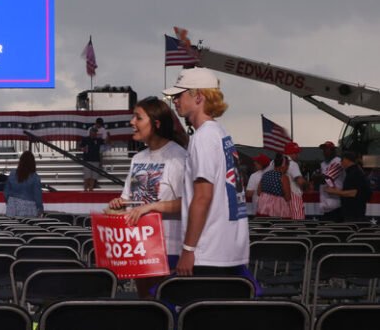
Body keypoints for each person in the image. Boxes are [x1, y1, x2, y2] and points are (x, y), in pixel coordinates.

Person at [162, 68, 249, 277]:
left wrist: (188, 250)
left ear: (199, 96)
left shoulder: (203, 137)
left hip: (207, 252)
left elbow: (202, 196)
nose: (174, 100)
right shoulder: (220, 133)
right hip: (227, 248)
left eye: (179, 95)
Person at [106, 97, 188, 298]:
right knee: (147, 304)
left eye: (138, 118)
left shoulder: (178, 157)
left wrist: (150, 208)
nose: (132, 122)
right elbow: (130, 199)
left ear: (156, 124)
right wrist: (119, 203)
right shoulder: (138, 158)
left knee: (165, 304)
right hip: (139, 245)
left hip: (168, 246)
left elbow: (187, 204)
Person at [326, 152, 372, 220]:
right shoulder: (353, 172)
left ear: (346, 160)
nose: (341, 163)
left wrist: (334, 192)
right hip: (352, 211)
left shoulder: (355, 173)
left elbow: (354, 193)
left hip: (354, 213)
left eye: (342, 160)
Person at [3, 150, 44, 217]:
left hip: (12, 205)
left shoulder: (12, 174)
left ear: (20, 161)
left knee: (12, 226)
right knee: (27, 227)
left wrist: (10, 201)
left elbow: (6, 192)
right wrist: (40, 209)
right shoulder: (35, 177)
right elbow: (38, 196)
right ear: (33, 163)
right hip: (29, 206)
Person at [315, 141, 344, 222]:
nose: (324, 151)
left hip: (336, 204)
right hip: (325, 203)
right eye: (323, 149)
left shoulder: (338, 161)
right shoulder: (323, 164)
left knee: (336, 231)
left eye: (327, 149)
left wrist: (317, 176)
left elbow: (327, 178)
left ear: (332, 150)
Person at [256, 154, 292, 218]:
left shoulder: (265, 174)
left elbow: (258, 192)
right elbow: (288, 197)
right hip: (278, 210)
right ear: (283, 165)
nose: (288, 167)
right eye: (288, 165)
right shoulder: (284, 177)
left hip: (263, 208)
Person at [83, 118, 110, 191]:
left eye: (95, 132)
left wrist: (108, 136)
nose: (94, 133)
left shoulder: (98, 139)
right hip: (87, 159)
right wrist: (83, 149)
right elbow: (81, 146)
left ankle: (91, 189)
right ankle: (85, 189)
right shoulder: (86, 138)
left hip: (97, 157)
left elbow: (105, 141)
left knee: (94, 176)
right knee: (87, 176)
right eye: (93, 132)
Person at [283, 142, 308, 220]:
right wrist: (308, 185)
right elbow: (300, 182)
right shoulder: (292, 164)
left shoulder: (274, 162)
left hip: (280, 198)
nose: (298, 155)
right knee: (298, 224)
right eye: (297, 153)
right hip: (293, 197)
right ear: (292, 153)